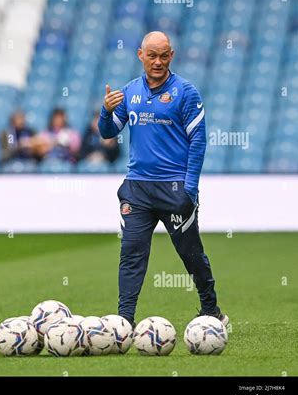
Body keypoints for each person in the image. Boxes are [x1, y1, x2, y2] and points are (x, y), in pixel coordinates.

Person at [98, 31, 228, 327]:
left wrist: (189, 189)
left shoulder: (186, 92)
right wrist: (106, 112)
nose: (158, 62)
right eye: (152, 55)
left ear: (172, 56)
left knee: (191, 254)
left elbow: (199, 141)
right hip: (137, 189)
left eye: (164, 55)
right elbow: (107, 133)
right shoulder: (129, 92)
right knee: (131, 253)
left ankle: (211, 309)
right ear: (140, 55)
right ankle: (124, 320)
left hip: (175, 190)